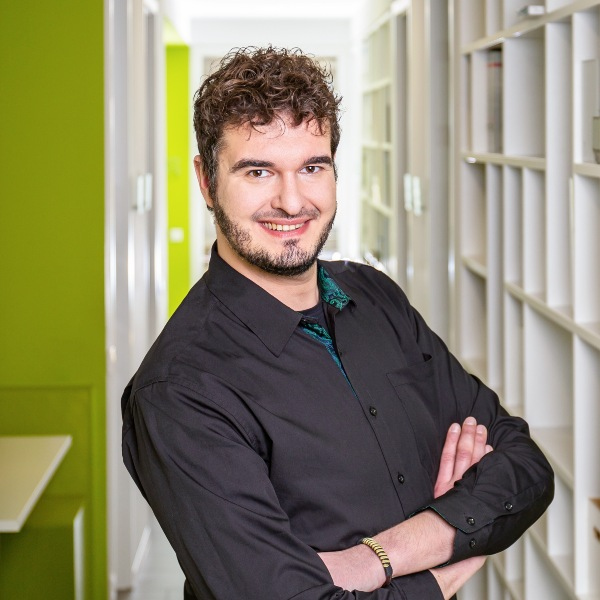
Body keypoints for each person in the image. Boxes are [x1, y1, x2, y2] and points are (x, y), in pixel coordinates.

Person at [122, 46, 554, 600]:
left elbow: (525, 466)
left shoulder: (376, 296)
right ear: (207, 182)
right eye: (258, 171)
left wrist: (374, 559)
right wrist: (455, 552)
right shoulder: (181, 390)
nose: (292, 201)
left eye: (312, 167)